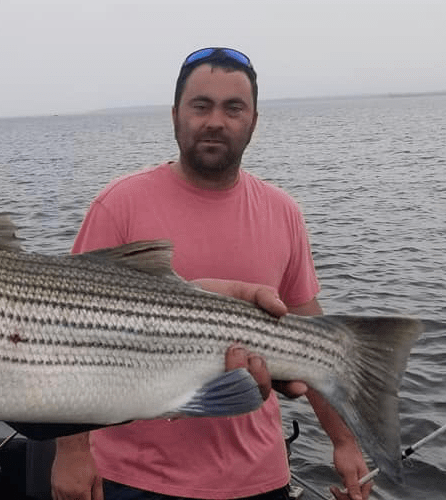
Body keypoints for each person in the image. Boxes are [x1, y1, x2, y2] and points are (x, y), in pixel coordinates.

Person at [50, 48, 372, 500]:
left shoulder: (283, 212)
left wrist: (344, 441)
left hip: (259, 477)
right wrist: (71, 452)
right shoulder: (119, 204)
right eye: (201, 106)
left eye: (233, 108)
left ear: (254, 121)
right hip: (133, 477)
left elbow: (315, 339)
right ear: (175, 115)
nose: (215, 121)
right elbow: (67, 334)